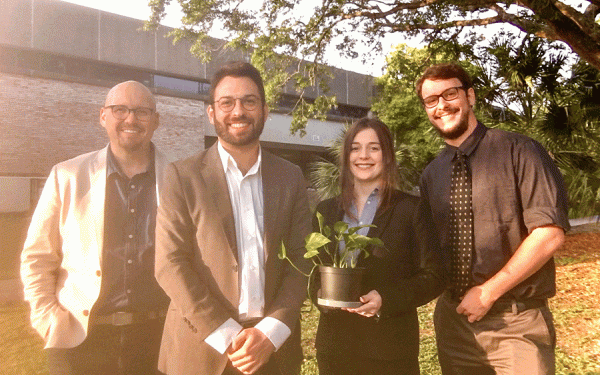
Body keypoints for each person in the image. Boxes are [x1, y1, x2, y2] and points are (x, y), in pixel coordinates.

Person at [154, 61, 311, 375]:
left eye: (249, 101)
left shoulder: (291, 177)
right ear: (212, 113)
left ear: (265, 110)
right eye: (227, 102)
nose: (238, 111)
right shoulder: (182, 176)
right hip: (202, 350)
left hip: (274, 353)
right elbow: (170, 263)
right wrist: (227, 334)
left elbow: (301, 259)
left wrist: (271, 331)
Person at [416, 63, 570, 374]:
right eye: (431, 100)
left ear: (470, 95)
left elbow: (549, 233)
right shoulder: (431, 174)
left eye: (450, 93)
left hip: (516, 324)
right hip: (454, 326)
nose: (441, 105)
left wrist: (489, 291)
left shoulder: (520, 150)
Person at [20, 80, 170, 374]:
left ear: (156, 120)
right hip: (80, 341)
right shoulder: (67, 176)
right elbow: (37, 257)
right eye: (120, 109)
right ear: (103, 116)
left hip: (158, 340)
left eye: (141, 111)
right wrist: (46, 317)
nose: (130, 119)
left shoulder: (179, 179)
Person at [312, 117, 445, 375]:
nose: (364, 156)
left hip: (389, 352)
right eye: (355, 148)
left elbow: (435, 275)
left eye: (374, 148)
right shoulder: (325, 211)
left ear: (387, 156)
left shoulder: (412, 209)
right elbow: (311, 271)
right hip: (335, 350)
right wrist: (319, 295)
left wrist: (386, 298)